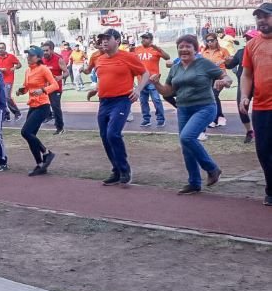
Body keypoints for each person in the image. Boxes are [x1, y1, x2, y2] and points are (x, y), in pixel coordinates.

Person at [150, 34, 231, 194]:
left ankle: (212, 169)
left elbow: (226, 77)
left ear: (195, 49)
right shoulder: (175, 67)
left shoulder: (204, 64)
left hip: (205, 107)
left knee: (187, 137)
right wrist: (157, 83)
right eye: (181, 47)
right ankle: (194, 182)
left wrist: (224, 81)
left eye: (188, 46)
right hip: (184, 109)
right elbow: (168, 91)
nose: (184, 49)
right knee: (186, 146)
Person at [86, 28, 149, 186]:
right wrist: (96, 89)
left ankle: (124, 169)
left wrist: (138, 89)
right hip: (104, 101)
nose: (104, 41)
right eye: (102, 39)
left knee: (113, 134)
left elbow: (145, 73)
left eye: (108, 38)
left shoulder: (128, 57)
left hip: (121, 100)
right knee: (104, 136)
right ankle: (116, 169)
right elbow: (104, 78)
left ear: (117, 41)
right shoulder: (99, 59)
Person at [239, 2, 272, 206]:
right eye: (258, 17)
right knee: (264, 150)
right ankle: (271, 189)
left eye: (266, 16)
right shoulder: (252, 45)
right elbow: (247, 74)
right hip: (261, 107)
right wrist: (244, 95)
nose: (261, 20)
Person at [16, 46, 59, 176]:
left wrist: (43, 90)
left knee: (25, 132)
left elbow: (55, 85)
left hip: (43, 106)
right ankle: (40, 165)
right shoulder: (28, 71)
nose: (28, 57)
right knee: (30, 136)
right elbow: (26, 87)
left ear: (39, 57)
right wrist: (21, 90)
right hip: (33, 105)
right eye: (28, 55)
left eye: (31, 55)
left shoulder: (43, 69)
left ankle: (47, 153)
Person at [226, 30, 258, 143]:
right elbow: (230, 65)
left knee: (263, 109)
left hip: (260, 84)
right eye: (247, 38)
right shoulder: (241, 52)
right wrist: (227, 61)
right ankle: (249, 131)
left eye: (251, 38)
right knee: (242, 108)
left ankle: (263, 131)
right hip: (244, 84)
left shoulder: (263, 50)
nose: (248, 41)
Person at [133, 33, 170, 127]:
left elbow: (167, 57)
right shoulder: (137, 49)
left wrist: (157, 48)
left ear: (151, 39)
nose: (143, 40)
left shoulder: (155, 49)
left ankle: (161, 119)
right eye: (142, 38)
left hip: (153, 80)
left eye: (146, 38)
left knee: (156, 100)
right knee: (143, 101)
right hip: (141, 80)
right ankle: (146, 119)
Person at [200, 32, 231, 128]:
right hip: (208, 77)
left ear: (216, 41)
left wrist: (226, 60)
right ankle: (220, 116)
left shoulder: (223, 50)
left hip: (220, 76)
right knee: (212, 96)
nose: (209, 43)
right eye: (207, 41)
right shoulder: (204, 52)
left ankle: (214, 119)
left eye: (211, 40)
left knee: (214, 94)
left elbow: (230, 62)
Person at [41, 41, 68, 135]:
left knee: (56, 107)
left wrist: (59, 78)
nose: (45, 53)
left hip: (56, 88)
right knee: (43, 105)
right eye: (43, 50)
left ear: (52, 50)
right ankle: (48, 116)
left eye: (47, 50)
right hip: (45, 88)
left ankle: (60, 127)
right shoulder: (41, 60)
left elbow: (66, 72)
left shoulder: (58, 59)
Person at [0, 43, 22, 121]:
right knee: (0, 98)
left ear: (5, 48)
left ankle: (17, 113)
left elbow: (19, 64)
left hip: (8, 79)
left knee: (7, 97)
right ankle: (6, 114)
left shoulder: (11, 57)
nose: (1, 49)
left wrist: (14, 68)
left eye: (2, 48)